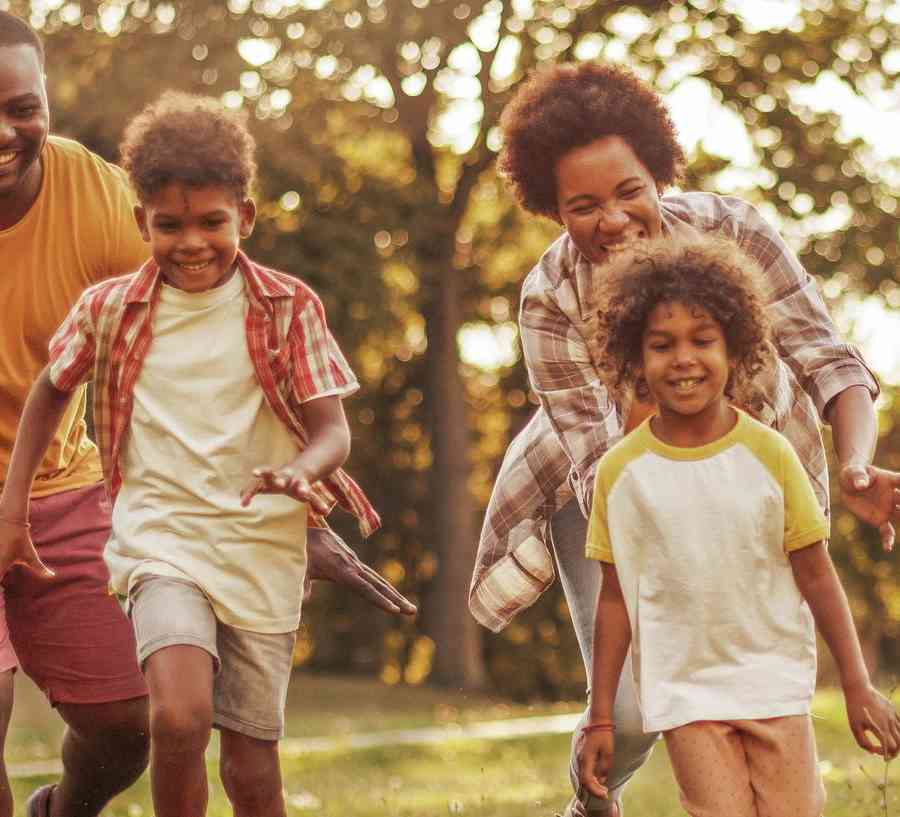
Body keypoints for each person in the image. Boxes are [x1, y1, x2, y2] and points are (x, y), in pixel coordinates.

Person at [0, 13, 413, 817]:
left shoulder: (97, 198)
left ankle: (64, 808)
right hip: (114, 519)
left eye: (20, 105)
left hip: (82, 495)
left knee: (136, 721)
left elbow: (239, 369)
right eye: (172, 225)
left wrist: (307, 506)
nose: (4, 131)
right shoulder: (119, 292)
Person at [468, 61, 900, 817]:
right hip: (612, 482)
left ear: (658, 171)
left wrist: (857, 462)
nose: (613, 219)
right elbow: (609, 470)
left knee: (752, 673)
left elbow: (830, 360)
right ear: (550, 206)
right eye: (583, 204)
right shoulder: (550, 298)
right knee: (633, 710)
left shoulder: (735, 232)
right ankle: (591, 801)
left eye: (630, 190)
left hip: (749, 486)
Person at [577, 235, 900, 817]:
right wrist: (602, 716)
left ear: (736, 349)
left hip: (773, 683)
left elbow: (817, 577)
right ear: (635, 358)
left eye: (703, 341)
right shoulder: (620, 472)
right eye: (661, 345)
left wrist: (857, 685)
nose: (683, 359)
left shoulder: (771, 455)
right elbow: (614, 600)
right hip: (687, 693)